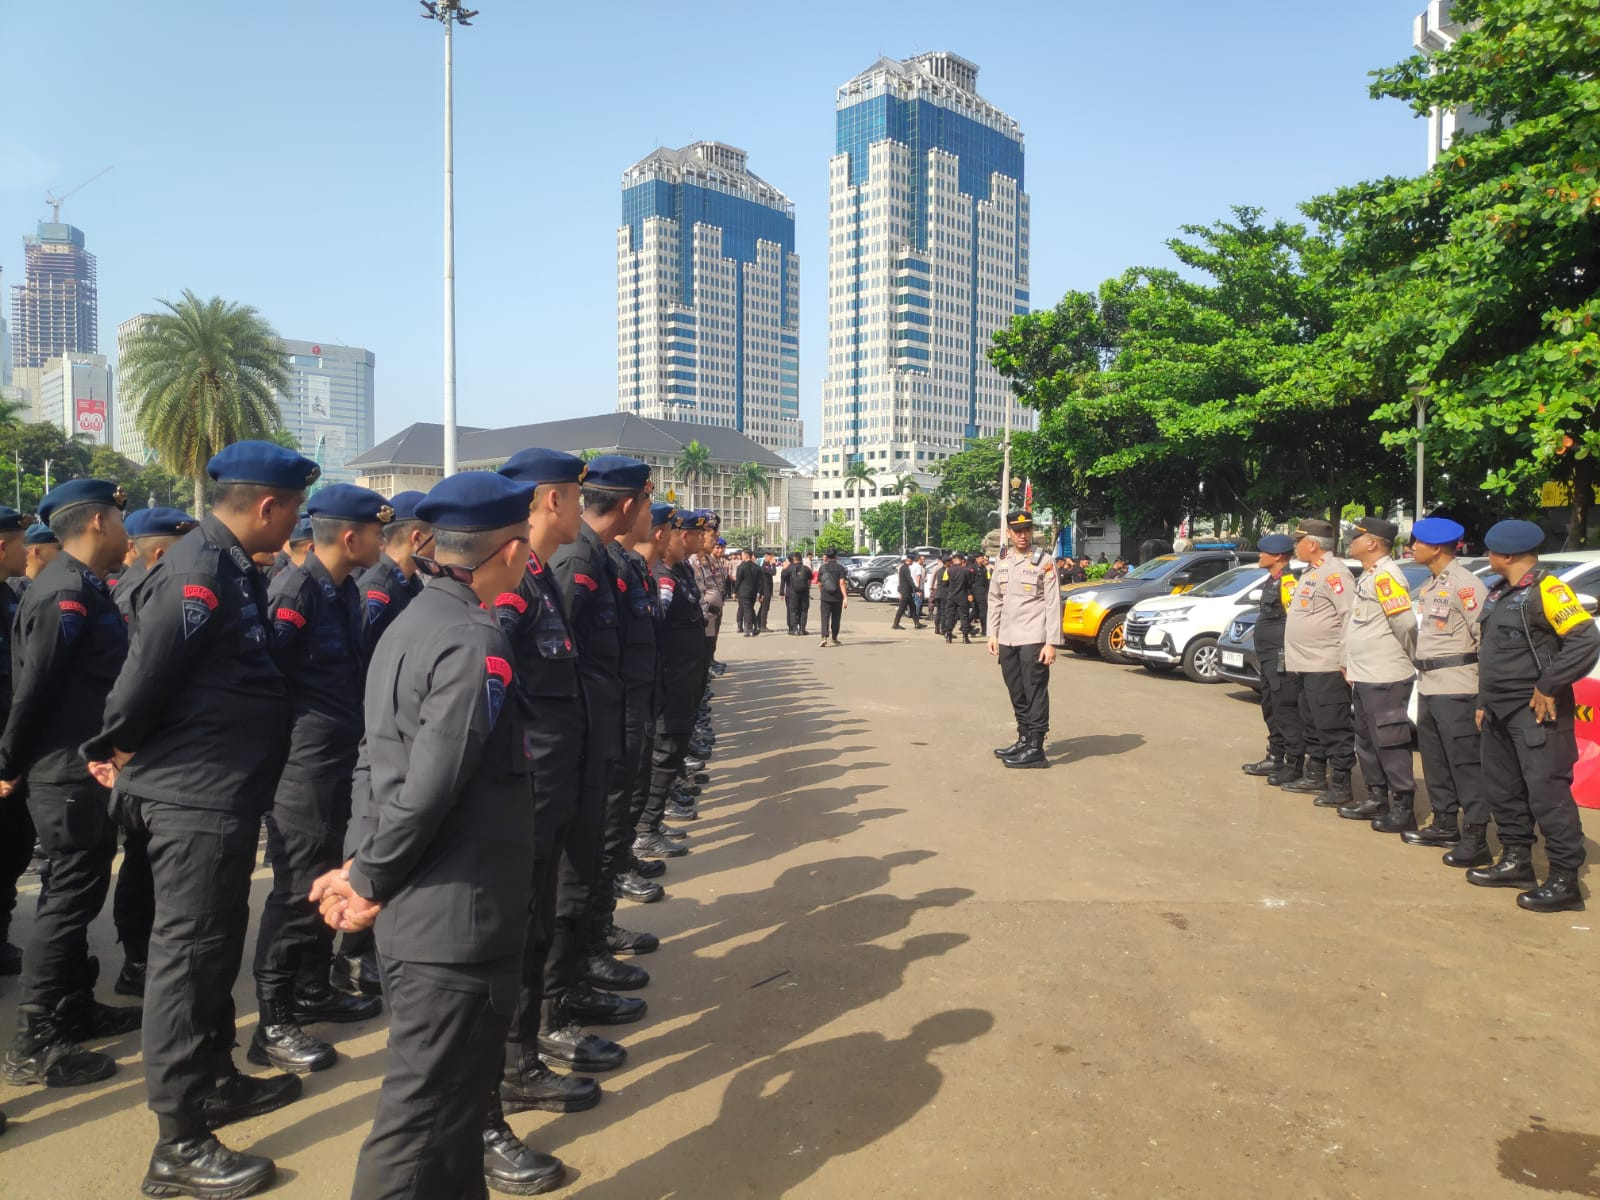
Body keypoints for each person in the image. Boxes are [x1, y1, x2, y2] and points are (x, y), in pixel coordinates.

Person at [311, 470, 566, 1200]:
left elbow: (373, 759)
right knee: (420, 1120)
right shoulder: (473, 640)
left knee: (448, 1117)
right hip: (456, 916)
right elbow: (429, 788)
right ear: (510, 550)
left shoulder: (409, 622)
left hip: (422, 910)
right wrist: (366, 881)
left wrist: (362, 860)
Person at [83, 441, 317, 1199]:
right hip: (193, 793)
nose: (295, 520)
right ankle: (178, 1143)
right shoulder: (197, 571)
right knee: (186, 961)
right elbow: (143, 679)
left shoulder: (228, 567)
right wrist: (112, 747)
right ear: (268, 506)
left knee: (212, 950)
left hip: (220, 792)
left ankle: (214, 1080)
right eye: (293, 508)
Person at [0, 479, 141, 1091]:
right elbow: (36, 690)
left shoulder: (79, 585)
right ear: (98, 524)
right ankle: (35, 1038)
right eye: (119, 517)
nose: (125, 531)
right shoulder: (65, 593)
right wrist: (9, 763)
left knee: (78, 895)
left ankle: (73, 1008)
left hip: (79, 765)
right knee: (66, 899)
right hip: (65, 770)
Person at [248, 484, 390, 1077]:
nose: (386, 542)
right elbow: (269, 683)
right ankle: (272, 1020)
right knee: (296, 888)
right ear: (351, 537)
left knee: (328, 875)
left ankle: (312, 984)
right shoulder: (296, 591)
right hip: (301, 765)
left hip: (336, 758)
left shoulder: (341, 590)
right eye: (377, 531)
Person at [490, 449, 608, 1133]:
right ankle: (510, 1069)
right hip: (526, 792)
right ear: (552, 501)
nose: (579, 508)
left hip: (549, 789)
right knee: (515, 934)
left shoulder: (535, 575)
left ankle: (522, 1058)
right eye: (573, 494)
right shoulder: (512, 583)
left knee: (533, 930)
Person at [546, 457, 653, 1031]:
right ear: (632, 503)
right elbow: (557, 659)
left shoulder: (600, 556)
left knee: (595, 854)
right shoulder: (580, 558)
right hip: (582, 739)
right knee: (574, 868)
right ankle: (567, 984)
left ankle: (583, 961)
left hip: (605, 728)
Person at [1466, 519, 1600, 912]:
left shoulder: (1549, 591)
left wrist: (1549, 684)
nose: (1487, 558)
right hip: (1497, 710)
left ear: (1506, 555)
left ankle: (1564, 880)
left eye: (1490, 551)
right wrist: (1482, 701)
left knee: (1547, 794)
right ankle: (1515, 860)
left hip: (1536, 712)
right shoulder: (1500, 593)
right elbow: (1493, 653)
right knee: (1504, 790)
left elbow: (1585, 640)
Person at [107, 507, 198, 1001]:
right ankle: (137, 958)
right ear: (161, 554)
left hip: (160, 749)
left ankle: (142, 954)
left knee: (148, 859)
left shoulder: (153, 592)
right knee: (141, 859)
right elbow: (134, 686)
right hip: (143, 752)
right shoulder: (136, 598)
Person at [1403, 517, 1493, 866]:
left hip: (1458, 685)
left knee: (1465, 762)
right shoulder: (1433, 583)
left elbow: (1484, 639)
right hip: (1430, 684)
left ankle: (1476, 835)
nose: (1412, 549)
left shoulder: (1465, 585)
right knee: (1435, 759)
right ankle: (1444, 823)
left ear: (1437, 548)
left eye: (1417, 543)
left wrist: (1483, 695)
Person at [1336, 518, 1420, 832]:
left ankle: (1403, 805)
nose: (1350, 541)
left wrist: (1410, 657)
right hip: (1366, 674)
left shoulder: (1387, 577)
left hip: (1385, 674)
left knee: (1390, 740)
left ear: (1372, 542)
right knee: (1368, 740)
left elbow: (1407, 625)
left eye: (1356, 537)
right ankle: (1376, 796)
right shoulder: (1370, 575)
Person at [1281, 518, 1356, 807]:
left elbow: (1349, 616)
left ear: (1312, 544)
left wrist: (1345, 659)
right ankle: (1315, 774)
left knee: (1333, 724)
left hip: (1326, 664)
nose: (1295, 547)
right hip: (1305, 664)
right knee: (1312, 722)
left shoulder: (1336, 574)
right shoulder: (1312, 572)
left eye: (1297, 541)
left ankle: (1341, 782)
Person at [987, 512, 1066, 768]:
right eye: (1017, 530)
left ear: (1031, 532)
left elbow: (1053, 603)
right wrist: (993, 633)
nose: (1022, 535)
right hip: (1008, 638)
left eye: (1026, 530)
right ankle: (1023, 738)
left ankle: (1036, 747)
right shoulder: (1003, 561)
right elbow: (995, 598)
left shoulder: (1044, 561)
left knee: (1035, 691)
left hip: (1034, 636)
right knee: (1016, 690)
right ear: (1008, 533)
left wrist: (1051, 642)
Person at [1240, 534, 1307, 785]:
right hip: (1267, 657)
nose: (1259, 555)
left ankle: (1293, 762)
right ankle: (1276, 757)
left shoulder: (1288, 583)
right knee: (1271, 705)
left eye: (1263, 552)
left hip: (1280, 655)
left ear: (1278, 556)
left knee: (1285, 707)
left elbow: (1294, 619)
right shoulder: (1273, 580)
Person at [0, 508, 33, 978]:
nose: (28, 550)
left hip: (11, 744)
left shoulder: (9, 595)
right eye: (21, 541)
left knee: (11, 848)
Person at [356, 489, 431, 657]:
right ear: (417, 538)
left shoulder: (412, 582)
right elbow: (360, 656)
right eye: (434, 538)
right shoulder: (376, 590)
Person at [817, 549, 849, 647]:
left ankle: (824, 637)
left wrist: (822, 592)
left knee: (824, 617)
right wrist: (845, 597)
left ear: (827, 556)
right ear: (836, 556)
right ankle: (834, 638)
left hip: (825, 597)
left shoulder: (822, 568)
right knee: (836, 618)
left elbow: (819, 583)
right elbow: (842, 583)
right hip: (837, 597)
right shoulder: (840, 568)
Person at [942, 552, 974, 644]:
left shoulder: (948, 570)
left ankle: (948, 635)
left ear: (953, 560)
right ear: (962, 560)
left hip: (951, 596)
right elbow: (970, 584)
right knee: (964, 617)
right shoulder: (967, 571)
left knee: (950, 616)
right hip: (962, 596)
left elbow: (944, 583)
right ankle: (965, 637)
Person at [781, 551, 812, 635]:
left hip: (792, 593)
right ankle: (802, 629)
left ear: (793, 559)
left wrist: (784, 568)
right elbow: (811, 577)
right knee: (804, 610)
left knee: (793, 611)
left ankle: (794, 629)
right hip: (804, 593)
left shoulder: (789, 569)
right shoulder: (806, 568)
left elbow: (783, 576)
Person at [734, 548, 761, 636]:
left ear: (746, 556)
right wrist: (761, 592)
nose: (741, 557)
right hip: (753, 591)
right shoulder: (757, 567)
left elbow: (738, 580)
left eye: (742, 555)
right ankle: (756, 626)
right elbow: (760, 581)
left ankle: (749, 629)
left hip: (744, 592)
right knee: (750, 609)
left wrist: (734, 591)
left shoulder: (741, 567)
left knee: (747, 610)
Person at [892, 555, 921, 630]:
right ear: (907, 560)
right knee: (902, 608)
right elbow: (909, 580)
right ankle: (895, 624)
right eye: (911, 561)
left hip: (907, 591)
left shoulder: (904, 567)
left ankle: (917, 623)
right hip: (905, 591)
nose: (912, 563)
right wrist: (916, 589)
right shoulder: (904, 568)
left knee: (913, 607)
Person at [757, 551, 776, 632]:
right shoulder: (765, 566)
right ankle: (763, 626)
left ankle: (758, 623)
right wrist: (774, 564)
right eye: (771, 557)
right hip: (765, 591)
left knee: (763, 608)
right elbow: (773, 573)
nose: (773, 559)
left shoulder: (767, 565)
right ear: (767, 556)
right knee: (765, 609)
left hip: (766, 590)